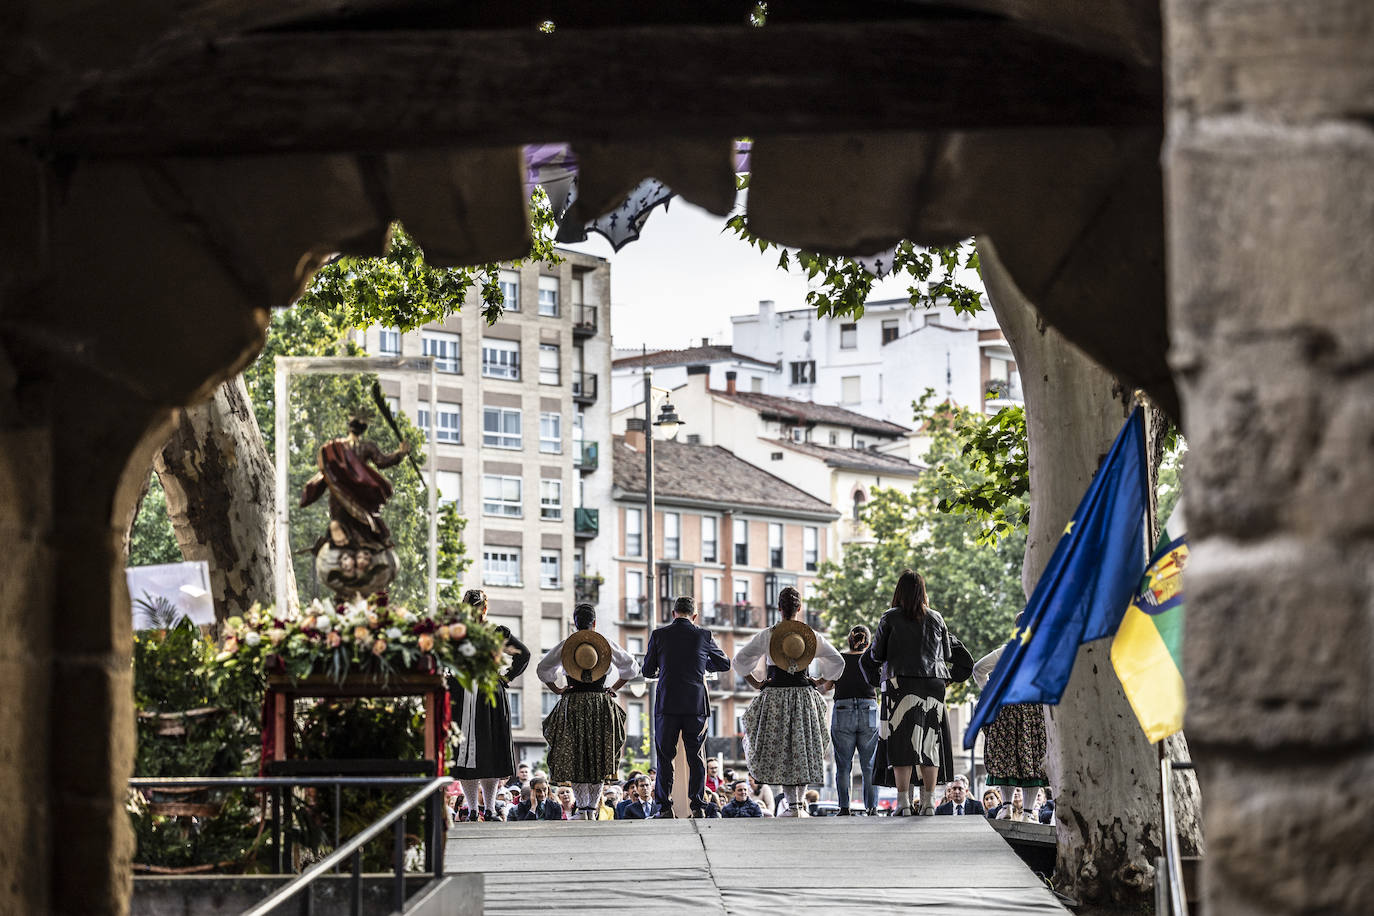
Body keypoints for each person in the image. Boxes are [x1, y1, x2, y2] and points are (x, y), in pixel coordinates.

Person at [734, 586, 845, 817]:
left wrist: (756, 683)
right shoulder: (810, 636)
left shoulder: (769, 634)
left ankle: (791, 805)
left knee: (782, 748)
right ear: (799, 608)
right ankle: (798, 805)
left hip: (775, 696)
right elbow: (837, 661)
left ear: (779, 608)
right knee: (803, 747)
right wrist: (820, 681)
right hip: (804, 695)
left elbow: (740, 660)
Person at [537, 603, 640, 820]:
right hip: (601, 704)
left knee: (576, 755)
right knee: (598, 755)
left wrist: (558, 689)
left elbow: (543, 669)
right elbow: (631, 667)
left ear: (575, 623)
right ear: (594, 622)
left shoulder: (567, 645)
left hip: (573, 704)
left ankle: (583, 808)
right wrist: (613, 688)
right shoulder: (606, 645)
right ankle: (591, 809)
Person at [868, 569, 954, 816]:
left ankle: (903, 804)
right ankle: (929, 803)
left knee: (901, 743)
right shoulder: (937, 618)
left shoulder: (889, 617)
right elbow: (947, 653)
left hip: (900, 684)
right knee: (930, 742)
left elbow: (876, 654)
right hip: (934, 683)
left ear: (899, 591)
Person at [640, 595, 732, 817]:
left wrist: (661, 670)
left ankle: (664, 808)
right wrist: (702, 666)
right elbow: (724, 663)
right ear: (695, 615)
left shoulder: (659, 635)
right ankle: (698, 806)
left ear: (673, 614)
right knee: (696, 757)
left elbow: (646, 670)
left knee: (665, 757)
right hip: (695, 705)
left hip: (667, 705)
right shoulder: (704, 635)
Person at [449, 588, 531, 822]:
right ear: (486, 608)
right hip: (486, 690)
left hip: (465, 690)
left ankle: (476, 809)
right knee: (489, 750)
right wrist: (506, 677)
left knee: (470, 752)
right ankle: (488, 809)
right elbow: (523, 654)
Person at [972, 617, 1049, 795]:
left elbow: (978, 670)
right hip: (1034, 712)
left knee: (1005, 759)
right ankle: (1028, 813)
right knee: (1034, 761)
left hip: (1007, 710)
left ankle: (1006, 806)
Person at [817, 624, 882, 816]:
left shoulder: (839, 659)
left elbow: (827, 686)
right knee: (869, 764)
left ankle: (844, 807)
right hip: (869, 709)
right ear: (868, 642)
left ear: (849, 640)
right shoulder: (872, 660)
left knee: (843, 764)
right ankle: (872, 808)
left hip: (843, 710)